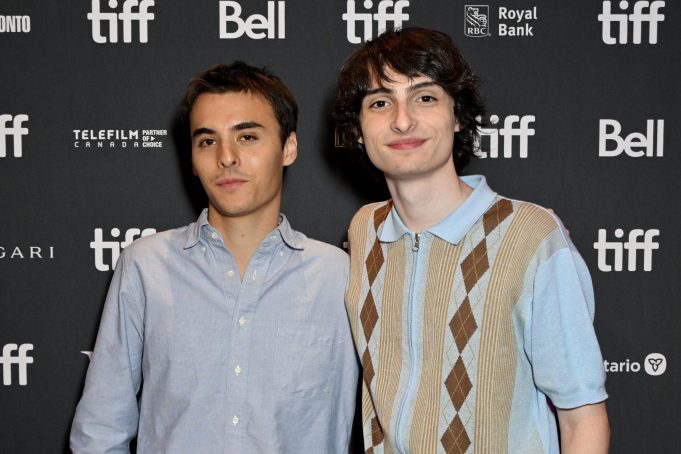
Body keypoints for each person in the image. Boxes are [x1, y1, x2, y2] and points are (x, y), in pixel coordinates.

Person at [334, 28, 609, 453]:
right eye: (380, 102)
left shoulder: (530, 235)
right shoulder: (363, 229)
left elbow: (582, 416)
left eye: (425, 98)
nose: (402, 120)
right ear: (358, 128)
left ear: (458, 115)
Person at [70, 62, 358, 453]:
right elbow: (100, 431)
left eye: (247, 137)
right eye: (207, 141)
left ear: (288, 147)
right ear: (191, 156)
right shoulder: (145, 267)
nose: (226, 157)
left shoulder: (341, 276)